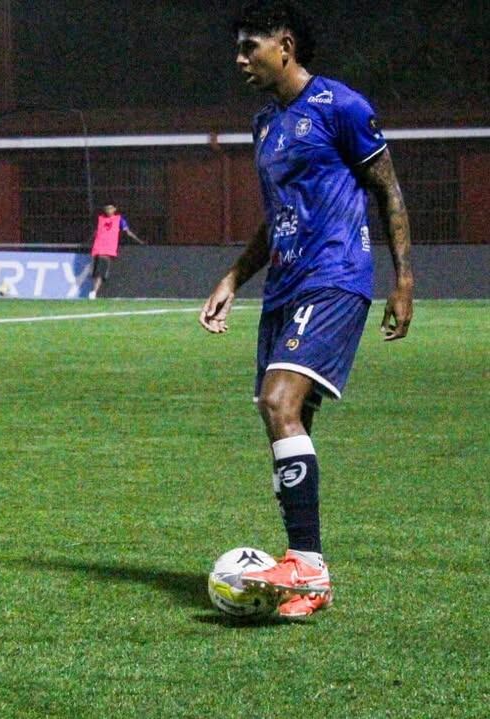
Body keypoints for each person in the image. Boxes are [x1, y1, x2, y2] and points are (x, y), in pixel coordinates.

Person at [198, 1, 413, 619]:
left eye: (249, 47)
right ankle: (306, 572)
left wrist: (403, 281)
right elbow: (277, 217)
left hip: (336, 277)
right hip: (286, 287)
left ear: (284, 45)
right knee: (288, 422)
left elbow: (387, 188)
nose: (240, 59)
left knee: (278, 401)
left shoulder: (341, 106)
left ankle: (309, 567)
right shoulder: (265, 124)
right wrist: (236, 277)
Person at [88, 203, 143, 299]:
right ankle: (94, 292)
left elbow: (127, 232)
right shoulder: (100, 219)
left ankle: (94, 292)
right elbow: (96, 231)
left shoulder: (119, 219)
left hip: (108, 249)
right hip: (98, 248)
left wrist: (139, 240)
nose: (108, 210)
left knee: (101, 271)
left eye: (110, 208)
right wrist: (89, 241)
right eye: (106, 208)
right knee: (99, 272)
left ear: (115, 209)